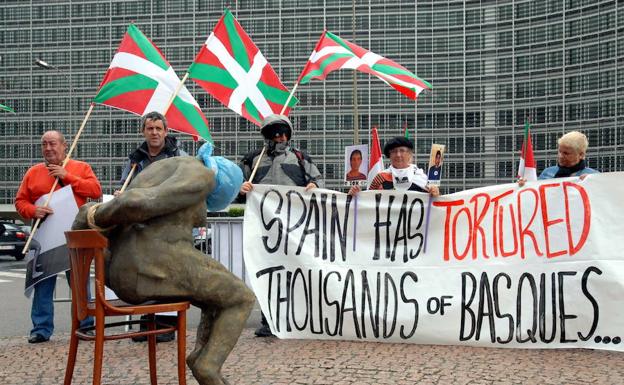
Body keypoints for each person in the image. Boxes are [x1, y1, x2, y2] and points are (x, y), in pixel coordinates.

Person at [73, 156, 255, 385]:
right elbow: (134, 203)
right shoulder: (202, 174)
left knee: (217, 295)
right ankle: (208, 365)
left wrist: (94, 219)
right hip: (151, 264)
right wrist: (93, 215)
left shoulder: (160, 168)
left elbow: (133, 208)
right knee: (241, 298)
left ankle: (202, 356)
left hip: (125, 268)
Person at [239, 114, 323, 337]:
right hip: (264, 229)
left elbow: (318, 181)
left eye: (283, 133)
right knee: (267, 272)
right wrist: (242, 189)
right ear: (267, 135)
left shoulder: (300, 158)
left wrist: (314, 184)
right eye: (275, 133)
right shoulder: (252, 160)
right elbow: (237, 189)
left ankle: (295, 317)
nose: (280, 137)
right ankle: (269, 319)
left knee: (294, 271)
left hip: (294, 229)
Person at [15, 130, 102, 343]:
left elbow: (95, 190)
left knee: (80, 284)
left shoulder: (81, 168)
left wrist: (67, 177)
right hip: (46, 238)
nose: (48, 148)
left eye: (53, 143)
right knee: (43, 284)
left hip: (76, 237)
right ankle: (41, 329)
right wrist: (32, 211)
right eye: (44, 144)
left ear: (64, 145)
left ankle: (86, 325)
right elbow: (20, 201)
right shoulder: (33, 172)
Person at [117, 111, 186, 343]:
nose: (154, 132)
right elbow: (126, 185)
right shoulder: (136, 159)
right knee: (145, 275)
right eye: (150, 128)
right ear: (143, 131)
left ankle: (166, 324)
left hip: (168, 224)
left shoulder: (179, 156)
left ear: (166, 131)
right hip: (142, 226)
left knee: (167, 275)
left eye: (158, 128)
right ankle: (146, 323)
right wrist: (122, 194)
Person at [349, 136, 440, 196]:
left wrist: (436, 194)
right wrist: (354, 195)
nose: (398, 155)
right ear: (389, 156)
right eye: (394, 151)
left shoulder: (422, 178)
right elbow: (368, 203)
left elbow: (435, 207)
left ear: (409, 154)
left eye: (402, 150)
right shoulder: (380, 178)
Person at [519, 130, 598, 186]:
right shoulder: (547, 172)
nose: (560, 156)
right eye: (560, 151)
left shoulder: (593, 176)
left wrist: (592, 185)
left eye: (566, 153)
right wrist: (524, 186)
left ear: (581, 154)